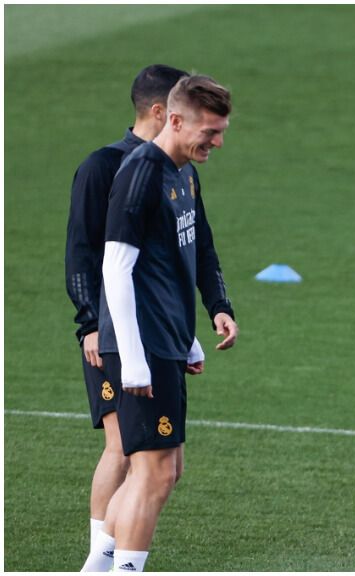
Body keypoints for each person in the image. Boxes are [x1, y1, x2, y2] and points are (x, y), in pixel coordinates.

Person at [97, 74, 238, 573]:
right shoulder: (141, 173)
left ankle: (99, 566)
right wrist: (133, 361)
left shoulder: (183, 171)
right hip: (141, 347)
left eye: (222, 132)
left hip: (165, 341)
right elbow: (115, 269)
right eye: (210, 132)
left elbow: (175, 259)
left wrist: (190, 336)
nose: (218, 142)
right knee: (154, 472)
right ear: (174, 120)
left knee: (167, 470)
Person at [65, 63, 188, 573]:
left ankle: (103, 560)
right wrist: (90, 323)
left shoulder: (174, 169)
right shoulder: (105, 166)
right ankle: (101, 560)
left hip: (156, 330)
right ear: (161, 112)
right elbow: (82, 252)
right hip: (113, 334)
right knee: (124, 451)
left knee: (152, 463)